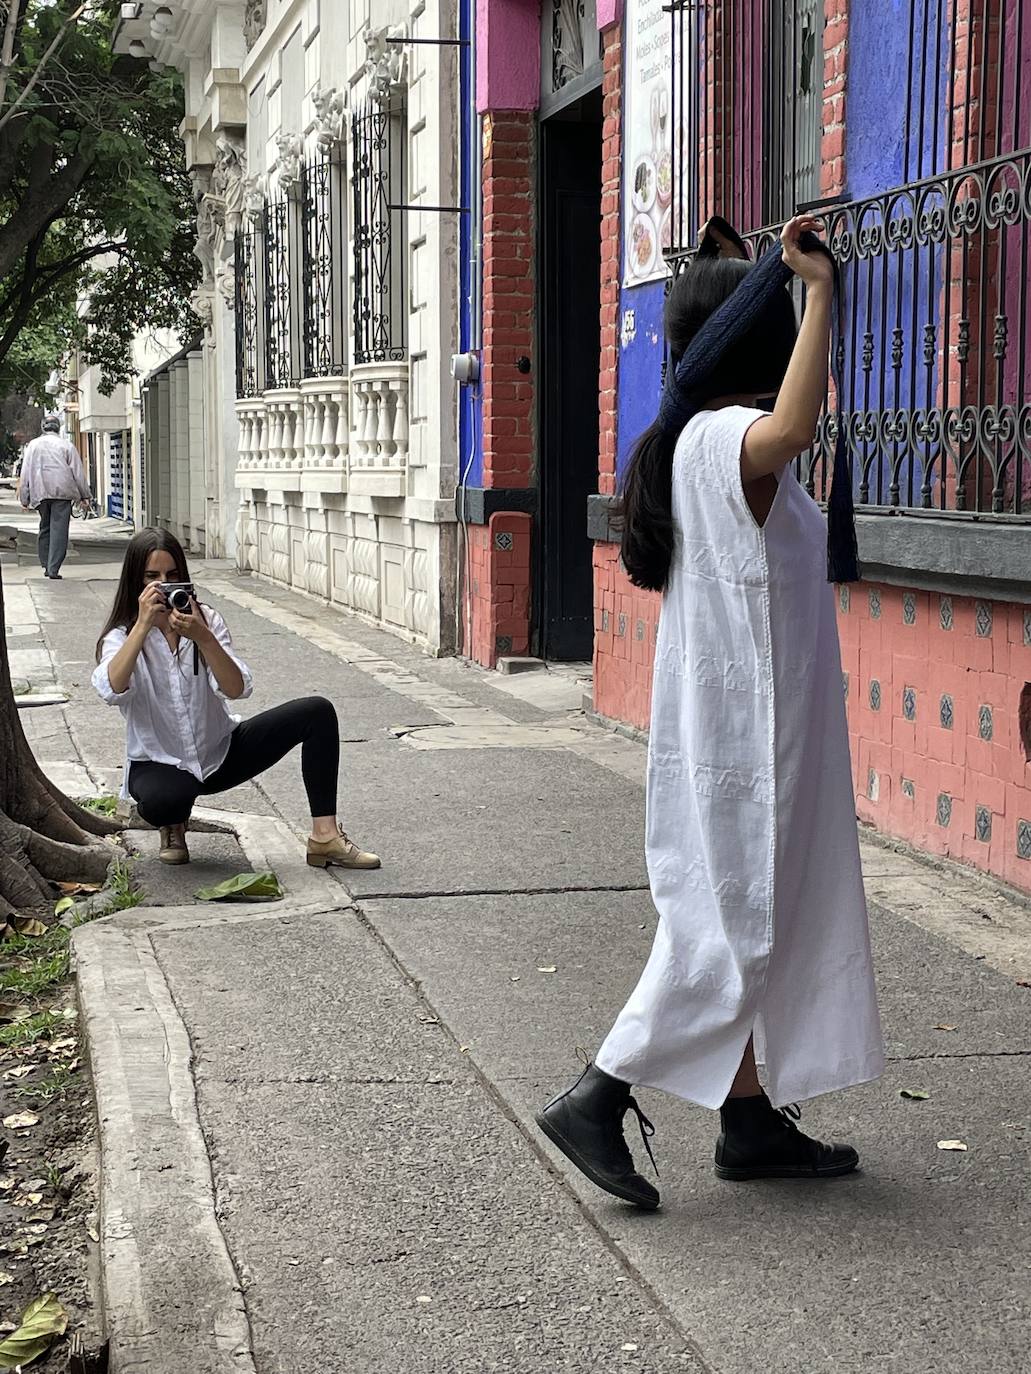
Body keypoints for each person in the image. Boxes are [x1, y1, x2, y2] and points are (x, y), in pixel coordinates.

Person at [536, 215, 884, 1211]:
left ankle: (745, 1117)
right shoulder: (729, 440)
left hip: (732, 737)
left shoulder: (684, 440)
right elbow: (791, 428)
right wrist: (817, 294)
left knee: (742, 926)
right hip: (750, 745)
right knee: (728, 935)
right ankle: (595, 1097)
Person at [92, 527, 381, 871]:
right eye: (152, 578)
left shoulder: (205, 619)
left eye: (172, 576)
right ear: (136, 584)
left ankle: (324, 836)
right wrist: (142, 627)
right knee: (166, 799)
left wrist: (203, 637)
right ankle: (172, 826)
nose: (164, 586)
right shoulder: (121, 635)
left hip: (220, 751)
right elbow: (110, 688)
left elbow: (235, 689)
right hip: (159, 763)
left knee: (317, 712)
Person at [16, 415, 92, 579]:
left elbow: (25, 473)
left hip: (40, 491)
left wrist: (24, 498)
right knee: (59, 530)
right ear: (57, 428)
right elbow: (77, 473)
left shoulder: (33, 445)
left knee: (45, 527)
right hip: (62, 493)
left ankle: (46, 564)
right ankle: (53, 568)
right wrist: (85, 495)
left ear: (44, 427)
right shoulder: (67, 445)